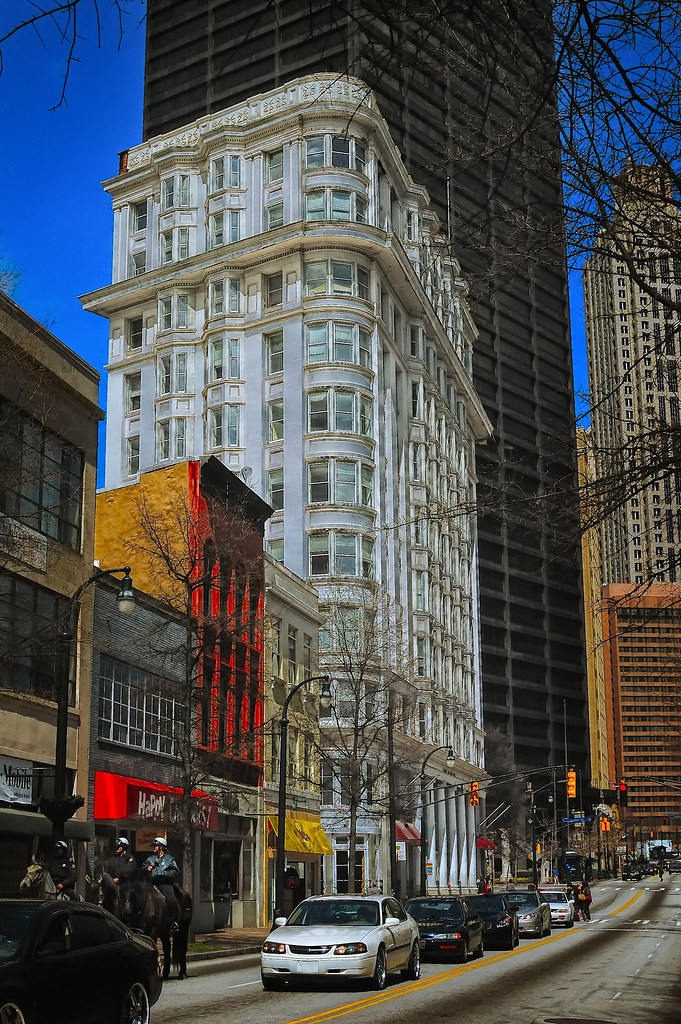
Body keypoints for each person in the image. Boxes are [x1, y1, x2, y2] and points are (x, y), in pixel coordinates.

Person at [142, 836, 181, 931]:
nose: (154, 848)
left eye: (156, 846)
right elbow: (142, 868)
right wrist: (146, 868)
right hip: (151, 883)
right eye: (154, 846)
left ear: (161, 847)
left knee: (171, 899)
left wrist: (163, 873)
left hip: (164, 884)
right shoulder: (150, 859)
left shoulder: (170, 859)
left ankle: (173, 921)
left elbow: (175, 872)